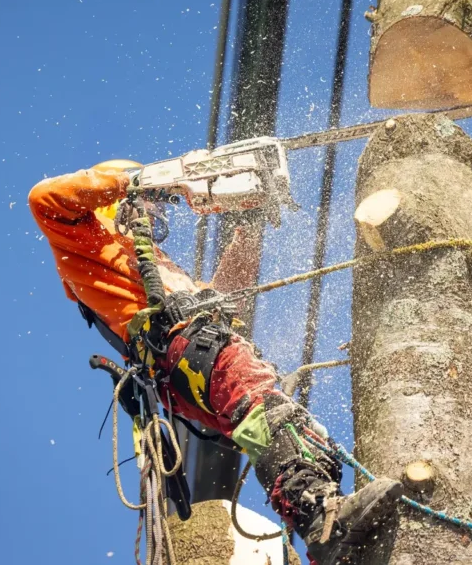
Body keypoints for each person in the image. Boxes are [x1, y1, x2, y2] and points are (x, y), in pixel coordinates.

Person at [29, 159, 402, 565]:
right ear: (112, 203)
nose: (155, 215)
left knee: (295, 430)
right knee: (266, 409)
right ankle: (323, 522)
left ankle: (333, 529)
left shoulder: (156, 263)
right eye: (148, 204)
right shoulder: (86, 244)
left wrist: (250, 227)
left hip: (201, 353)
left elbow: (224, 296)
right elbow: (45, 199)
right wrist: (132, 181)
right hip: (186, 353)